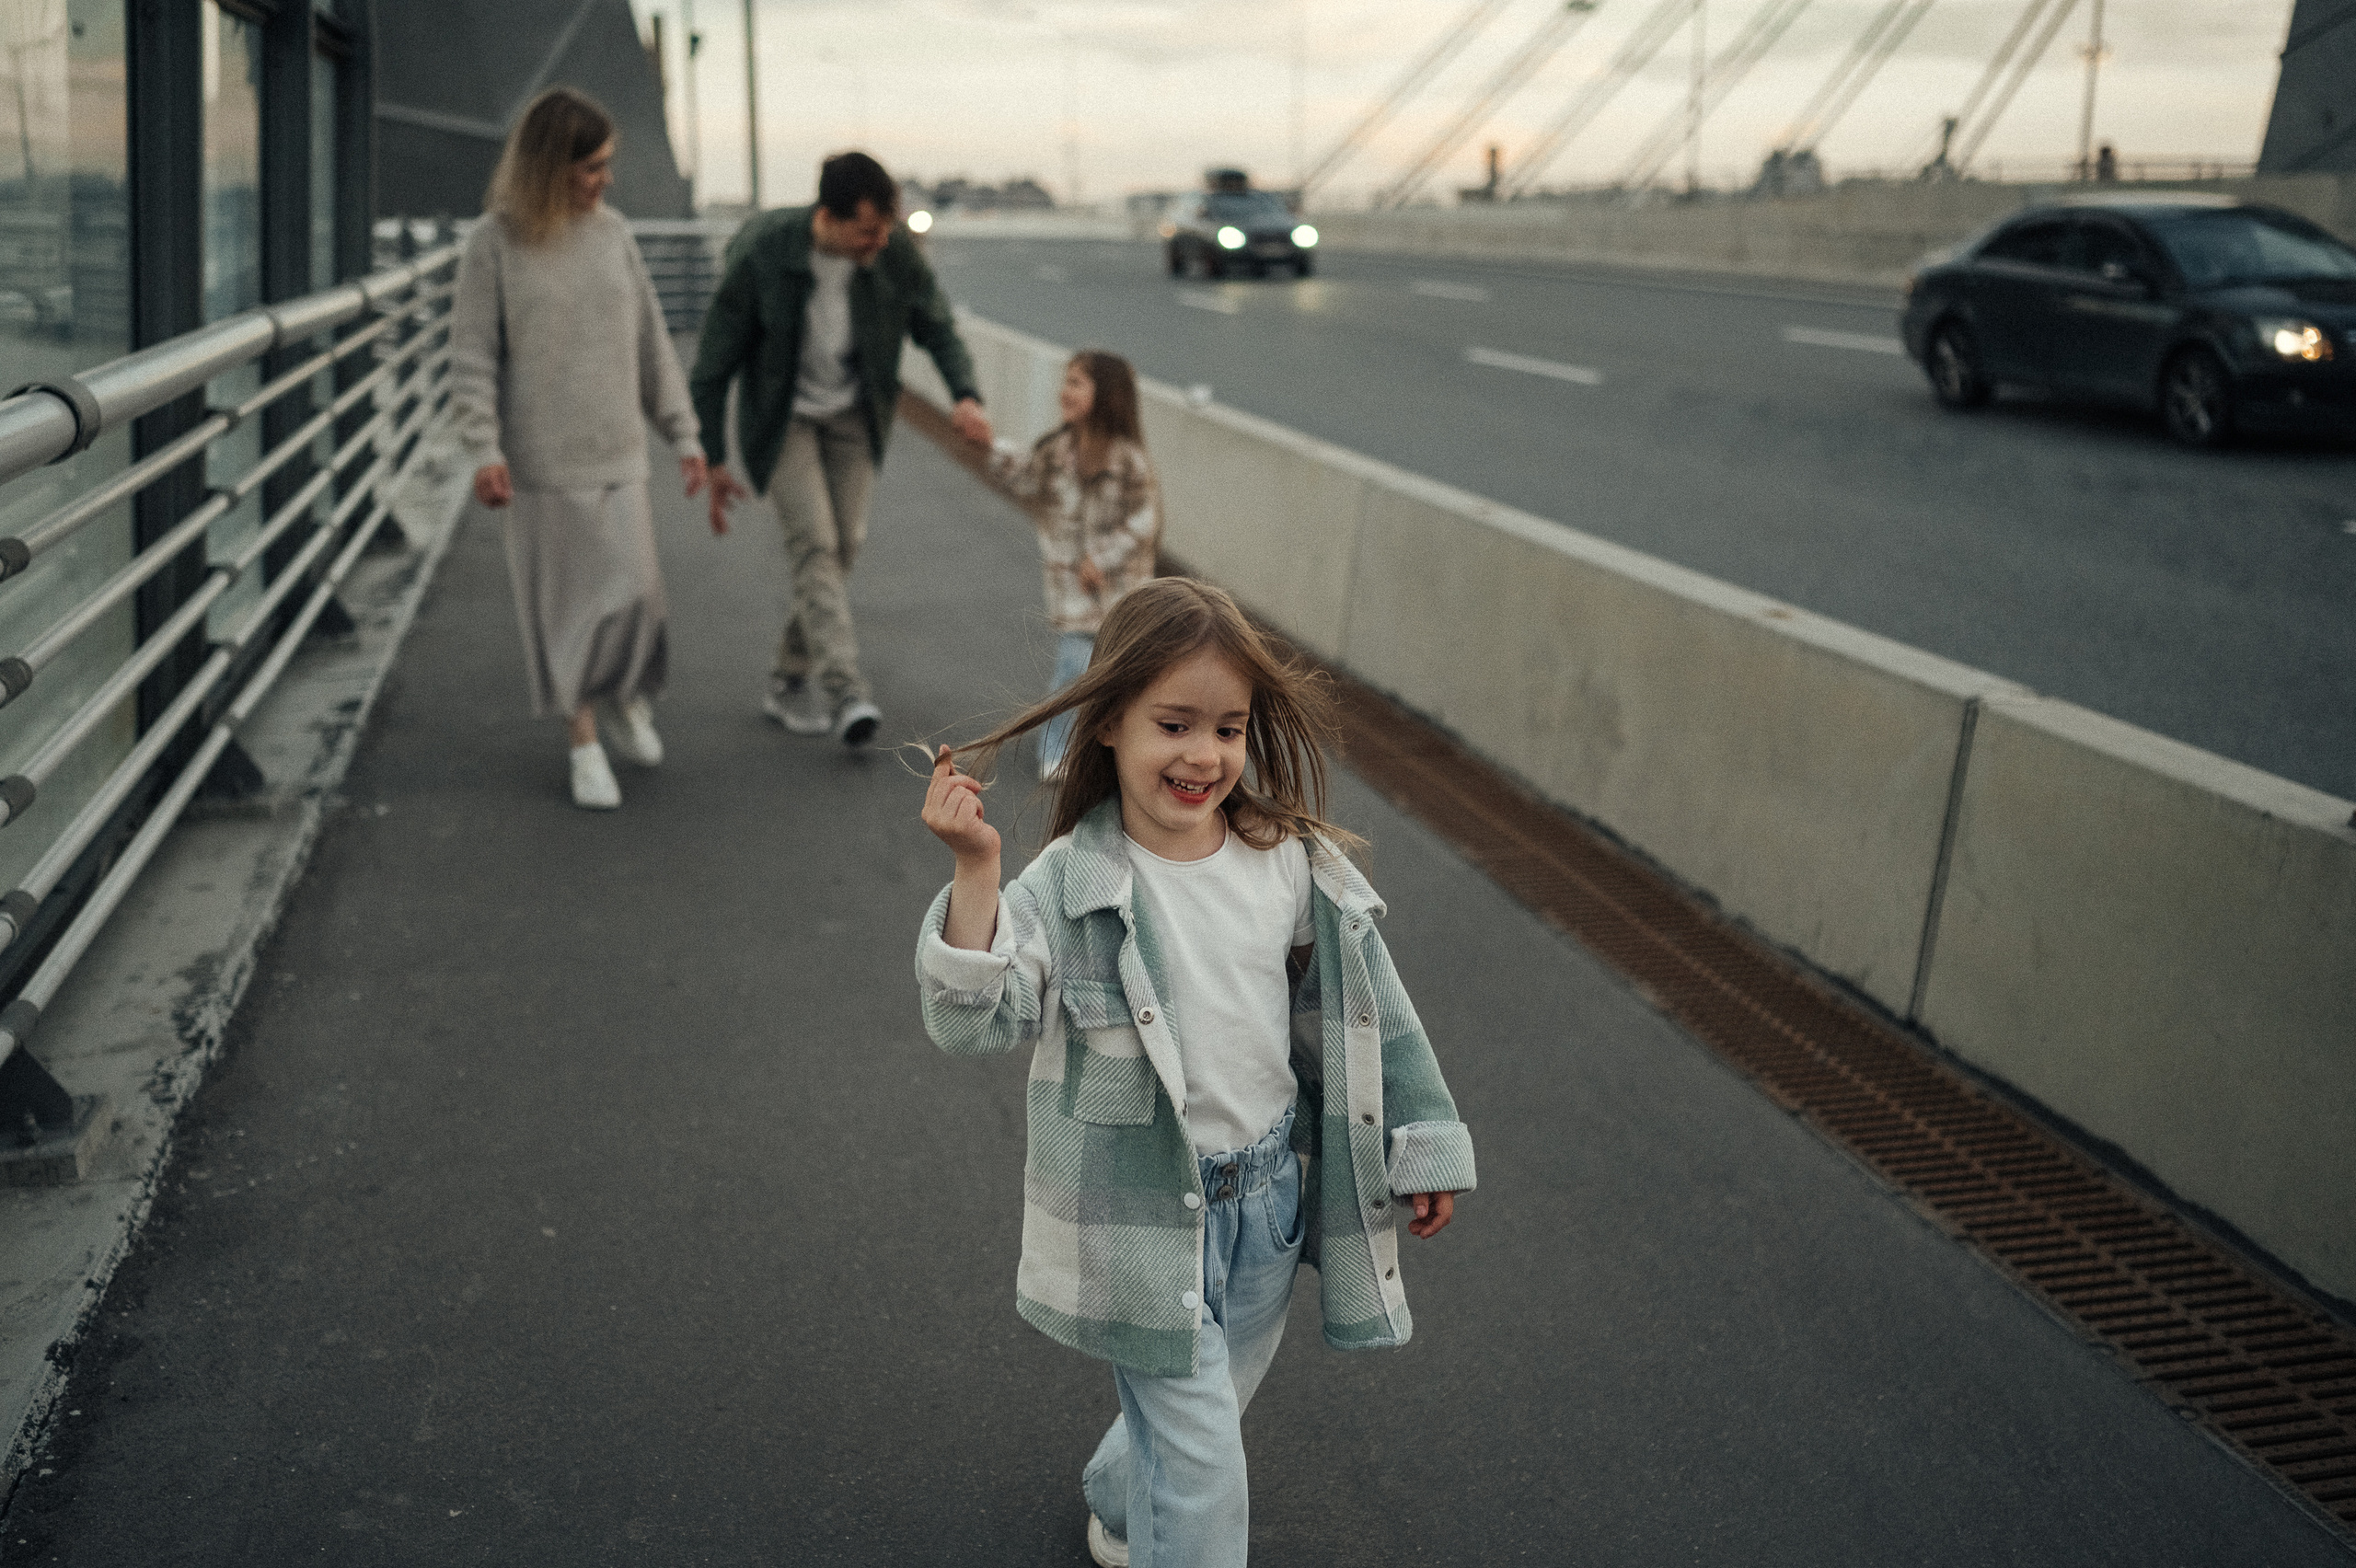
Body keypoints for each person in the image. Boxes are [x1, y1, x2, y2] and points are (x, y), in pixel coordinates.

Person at [914, 578, 1477, 1568]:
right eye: (1173, 724)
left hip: (1264, 1206)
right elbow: (976, 1023)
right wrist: (974, 869)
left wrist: (1421, 1144)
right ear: (1108, 728)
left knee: (1197, 1422)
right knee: (1207, 1467)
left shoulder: (1285, 862)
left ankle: (1117, 1495)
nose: (1203, 754)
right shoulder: (1066, 888)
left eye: (1228, 728)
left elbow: (1371, 1014)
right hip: (1133, 1222)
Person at [450, 86, 708, 811]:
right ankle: (584, 742)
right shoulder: (492, 244)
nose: (605, 179)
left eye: (606, 165)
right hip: (540, 464)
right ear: (549, 166)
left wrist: (685, 436)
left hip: (619, 450)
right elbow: (471, 358)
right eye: (592, 166)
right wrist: (484, 449)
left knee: (636, 601)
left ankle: (624, 697)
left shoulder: (614, 234)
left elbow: (652, 346)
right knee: (564, 614)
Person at [691, 150, 991, 749]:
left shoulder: (893, 252)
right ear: (827, 216)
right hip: (782, 421)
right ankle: (845, 690)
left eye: (886, 231)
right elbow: (713, 364)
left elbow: (936, 323)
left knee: (844, 544)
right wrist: (713, 455)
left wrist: (965, 393)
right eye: (866, 233)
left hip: (855, 414)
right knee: (816, 544)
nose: (879, 245)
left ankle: (785, 674)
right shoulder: (763, 253)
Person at [984, 350, 1161, 779]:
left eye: (1077, 383)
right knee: (1073, 673)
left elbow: (1144, 518)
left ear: (1107, 395)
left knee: (1120, 679)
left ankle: (1119, 754)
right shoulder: (1058, 448)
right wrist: (988, 444)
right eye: (1066, 381)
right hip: (1075, 592)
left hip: (1119, 593)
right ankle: (1057, 750)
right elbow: (1026, 475)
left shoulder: (1127, 458)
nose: (1065, 391)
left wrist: (1100, 557)